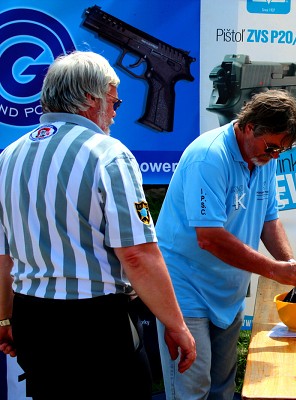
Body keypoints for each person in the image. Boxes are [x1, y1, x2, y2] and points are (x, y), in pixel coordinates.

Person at [0, 51, 196, 399]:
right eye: (114, 101)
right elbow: (136, 255)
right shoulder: (108, 153)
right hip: (95, 321)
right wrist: (176, 324)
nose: (115, 113)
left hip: (31, 315)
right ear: (91, 98)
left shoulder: (9, 156)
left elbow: (4, 257)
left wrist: (4, 318)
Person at [155, 89, 296, 400]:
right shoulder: (208, 158)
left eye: (281, 150)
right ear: (248, 126)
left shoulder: (265, 157)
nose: (274, 156)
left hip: (227, 290)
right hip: (185, 287)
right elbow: (209, 237)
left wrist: (290, 266)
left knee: (222, 388)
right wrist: (275, 270)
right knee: (192, 390)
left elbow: (269, 219)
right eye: (272, 147)